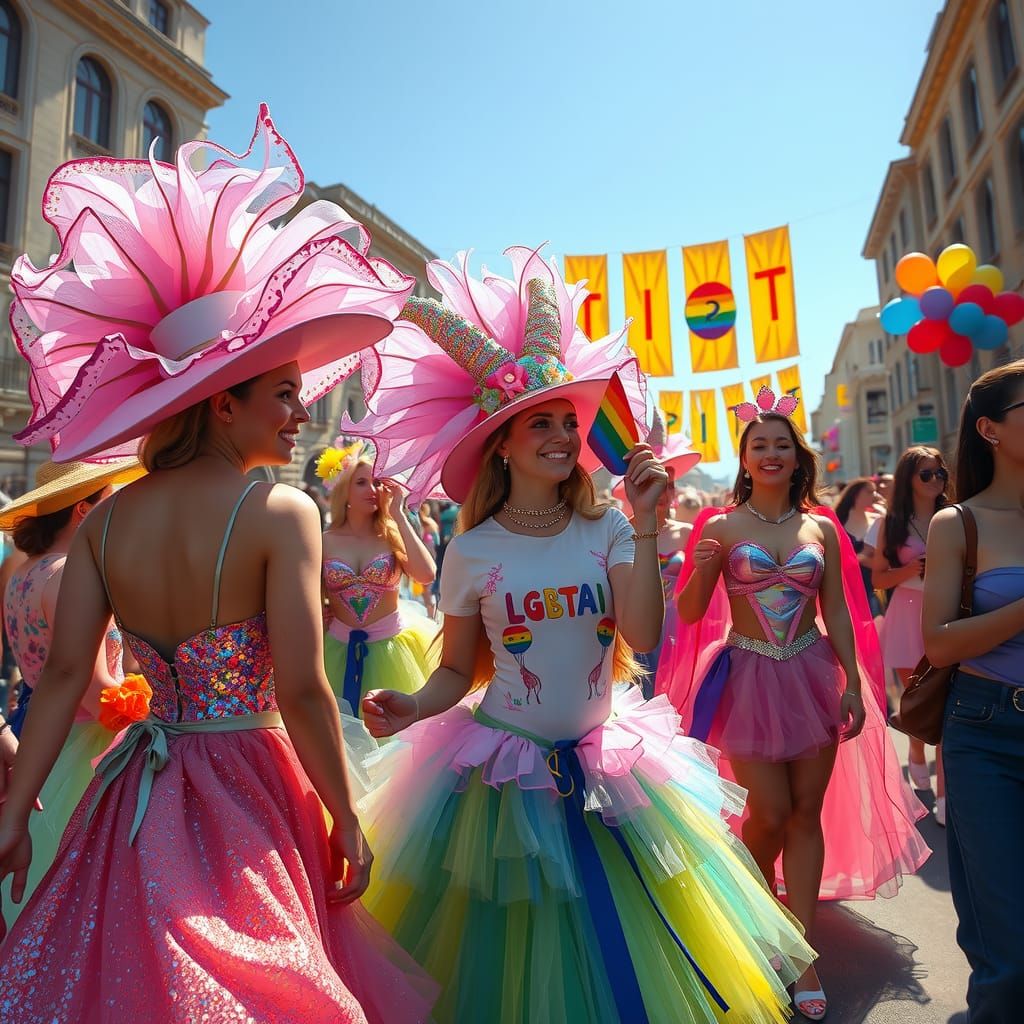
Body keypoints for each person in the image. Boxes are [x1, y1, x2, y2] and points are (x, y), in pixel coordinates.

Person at [0, 106, 436, 1022]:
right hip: (249, 788)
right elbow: (309, 693)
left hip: (132, 796)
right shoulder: (281, 511)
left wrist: (14, 810)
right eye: (280, 395)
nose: (294, 414)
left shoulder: (108, 522)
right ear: (221, 402)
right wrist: (345, 816)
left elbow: (66, 677)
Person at [347, 248, 815, 1024]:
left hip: (612, 772)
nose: (564, 435)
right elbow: (457, 669)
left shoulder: (607, 529)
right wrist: (411, 706)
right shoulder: (471, 550)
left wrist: (647, 519)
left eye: (571, 421)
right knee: (511, 980)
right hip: (501, 786)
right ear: (501, 440)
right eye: (543, 423)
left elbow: (640, 631)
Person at [666, 388, 930, 1021]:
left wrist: (850, 680)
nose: (772, 453)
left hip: (812, 673)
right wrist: (703, 568)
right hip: (745, 678)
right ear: (745, 458)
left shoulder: (819, 526)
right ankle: (759, 929)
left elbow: (837, 606)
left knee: (804, 812)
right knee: (768, 812)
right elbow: (693, 612)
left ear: (796, 455)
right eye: (760, 445)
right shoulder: (722, 526)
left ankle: (800, 951)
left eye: (782, 443)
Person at [922, 360, 1024, 1023]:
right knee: (1008, 944)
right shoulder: (957, 522)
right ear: (989, 428)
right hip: (985, 734)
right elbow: (940, 644)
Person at [0, 459, 143, 925]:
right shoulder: (67, 576)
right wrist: (154, 719)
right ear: (85, 511)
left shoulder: (25, 573)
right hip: (83, 745)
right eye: (110, 502)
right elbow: (93, 688)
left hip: (40, 731)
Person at [317, 443, 437, 720]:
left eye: (377, 482)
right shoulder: (323, 540)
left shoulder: (392, 534)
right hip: (334, 649)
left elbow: (426, 575)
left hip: (394, 652)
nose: (372, 490)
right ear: (344, 490)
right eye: (361, 483)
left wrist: (398, 514)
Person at [870, 446, 949, 822]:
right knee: (917, 701)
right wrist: (911, 569)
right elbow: (879, 579)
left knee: (948, 706)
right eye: (926, 474)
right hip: (906, 613)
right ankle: (916, 752)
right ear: (909, 479)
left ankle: (945, 797)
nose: (936, 480)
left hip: (947, 614)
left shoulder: (954, 515)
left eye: (940, 473)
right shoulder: (892, 522)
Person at [611, 410, 702, 698]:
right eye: (653, 483)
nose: (662, 491)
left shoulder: (690, 534)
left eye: (668, 484)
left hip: (677, 637)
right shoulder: (617, 531)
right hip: (630, 634)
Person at [834, 477, 882, 617]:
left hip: (874, 588)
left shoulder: (878, 519)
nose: (874, 495)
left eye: (875, 491)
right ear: (855, 494)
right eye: (869, 491)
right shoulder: (837, 521)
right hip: (846, 588)